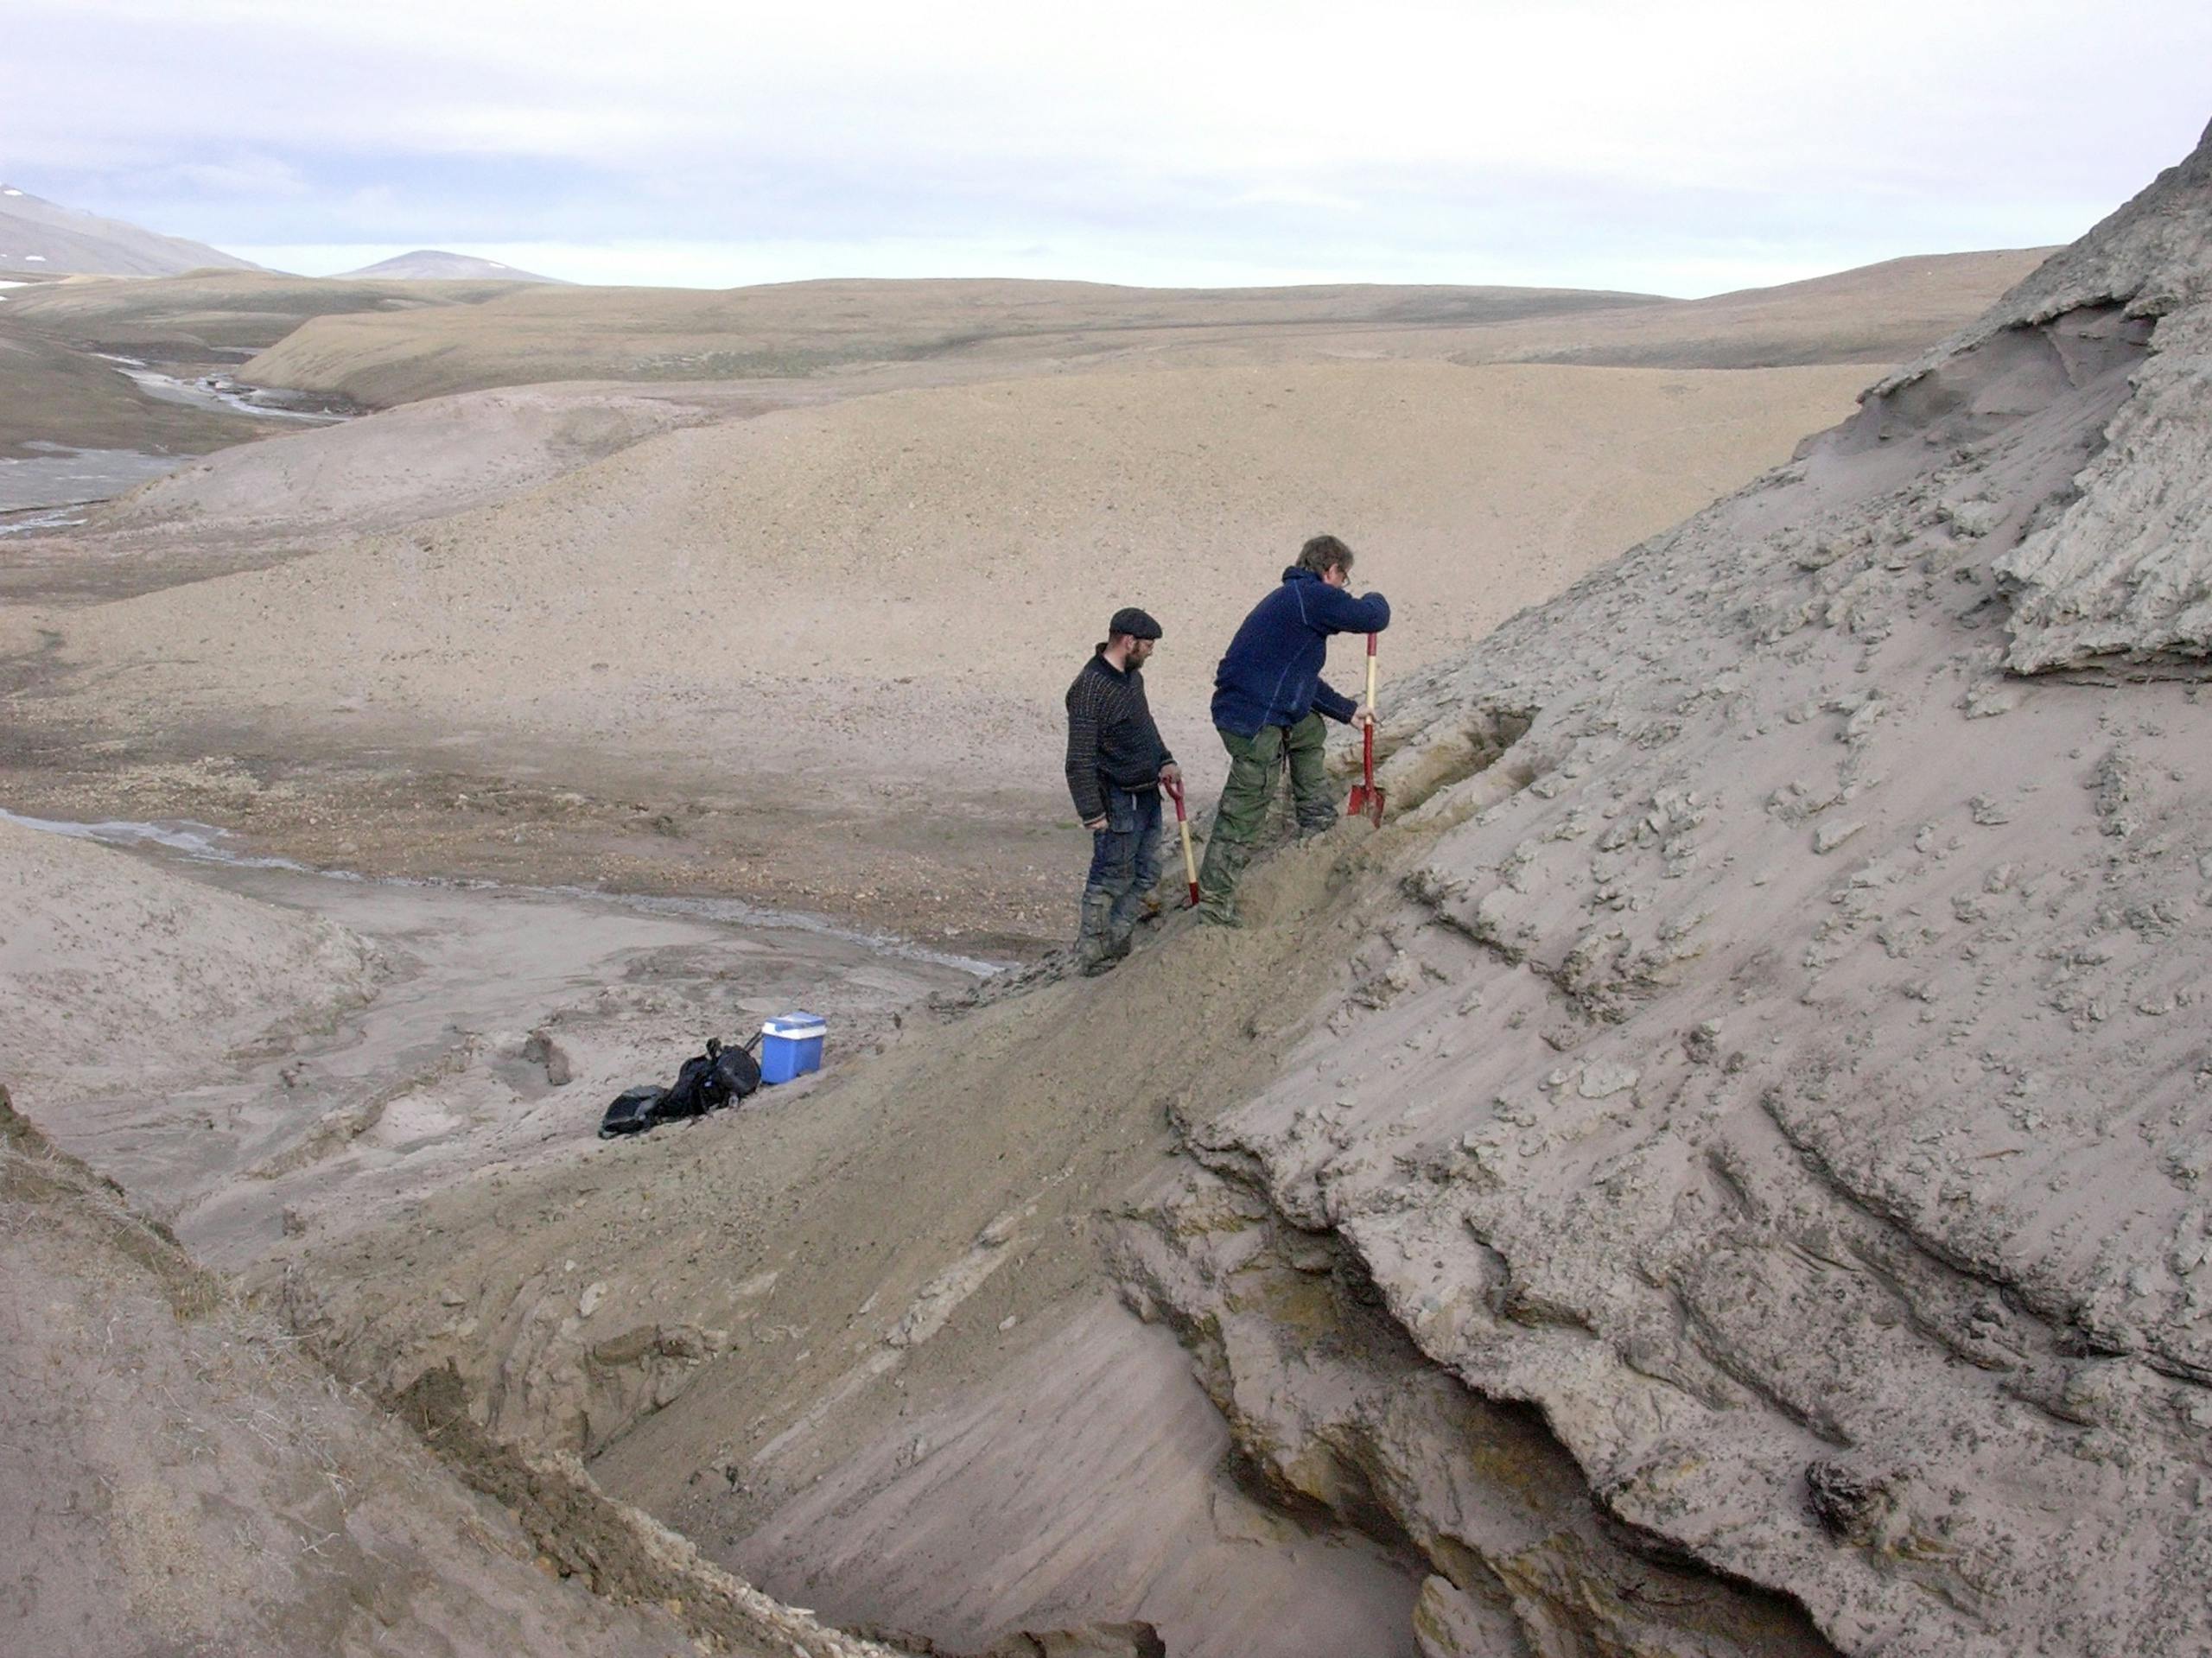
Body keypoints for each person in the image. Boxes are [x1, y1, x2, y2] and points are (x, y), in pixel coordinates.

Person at [1196, 535, 1389, 924]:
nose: (1342, 587)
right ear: (1330, 571)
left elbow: (1299, 678)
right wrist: (1375, 596)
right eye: (1343, 578)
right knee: (1246, 805)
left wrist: (1347, 710)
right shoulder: (1309, 596)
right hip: (1252, 718)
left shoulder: (1292, 602)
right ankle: (1215, 905)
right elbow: (1373, 616)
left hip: (1261, 704)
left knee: (1308, 729)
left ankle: (1316, 818)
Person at [1064, 607, 1180, 974]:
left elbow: (1144, 724)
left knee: (1147, 873)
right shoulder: (1088, 689)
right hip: (1116, 800)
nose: (1150, 652)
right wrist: (1092, 814)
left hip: (1147, 792)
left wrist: (1165, 759)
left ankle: (1118, 942)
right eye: (1147, 645)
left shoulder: (1132, 678)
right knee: (1110, 879)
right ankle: (1094, 957)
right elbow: (1078, 758)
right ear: (1128, 642)